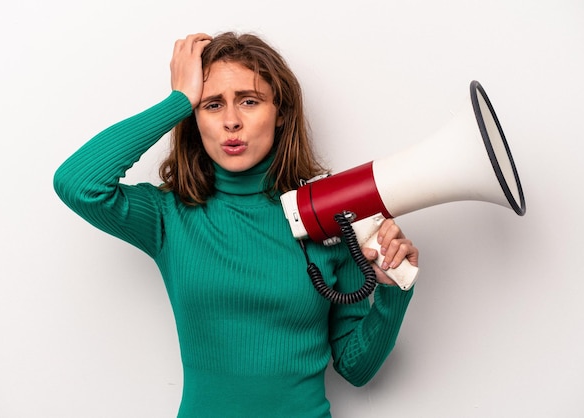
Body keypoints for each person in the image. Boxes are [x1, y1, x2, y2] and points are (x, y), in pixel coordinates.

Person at [54, 32, 419, 418]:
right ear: (195, 119)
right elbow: (78, 184)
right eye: (212, 105)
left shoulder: (329, 217)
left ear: (280, 112)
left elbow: (356, 368)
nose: (231, 121)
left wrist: (394, 290)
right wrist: (178, 100)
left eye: (249, 101)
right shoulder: (169, 216)